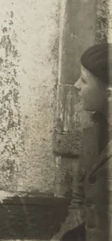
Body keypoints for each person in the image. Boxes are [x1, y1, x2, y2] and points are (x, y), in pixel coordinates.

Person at [55, 42, 111, 241]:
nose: (77, 85)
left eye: (84, 80)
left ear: (109, 92)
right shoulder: (92, 134)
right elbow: (79, 203)